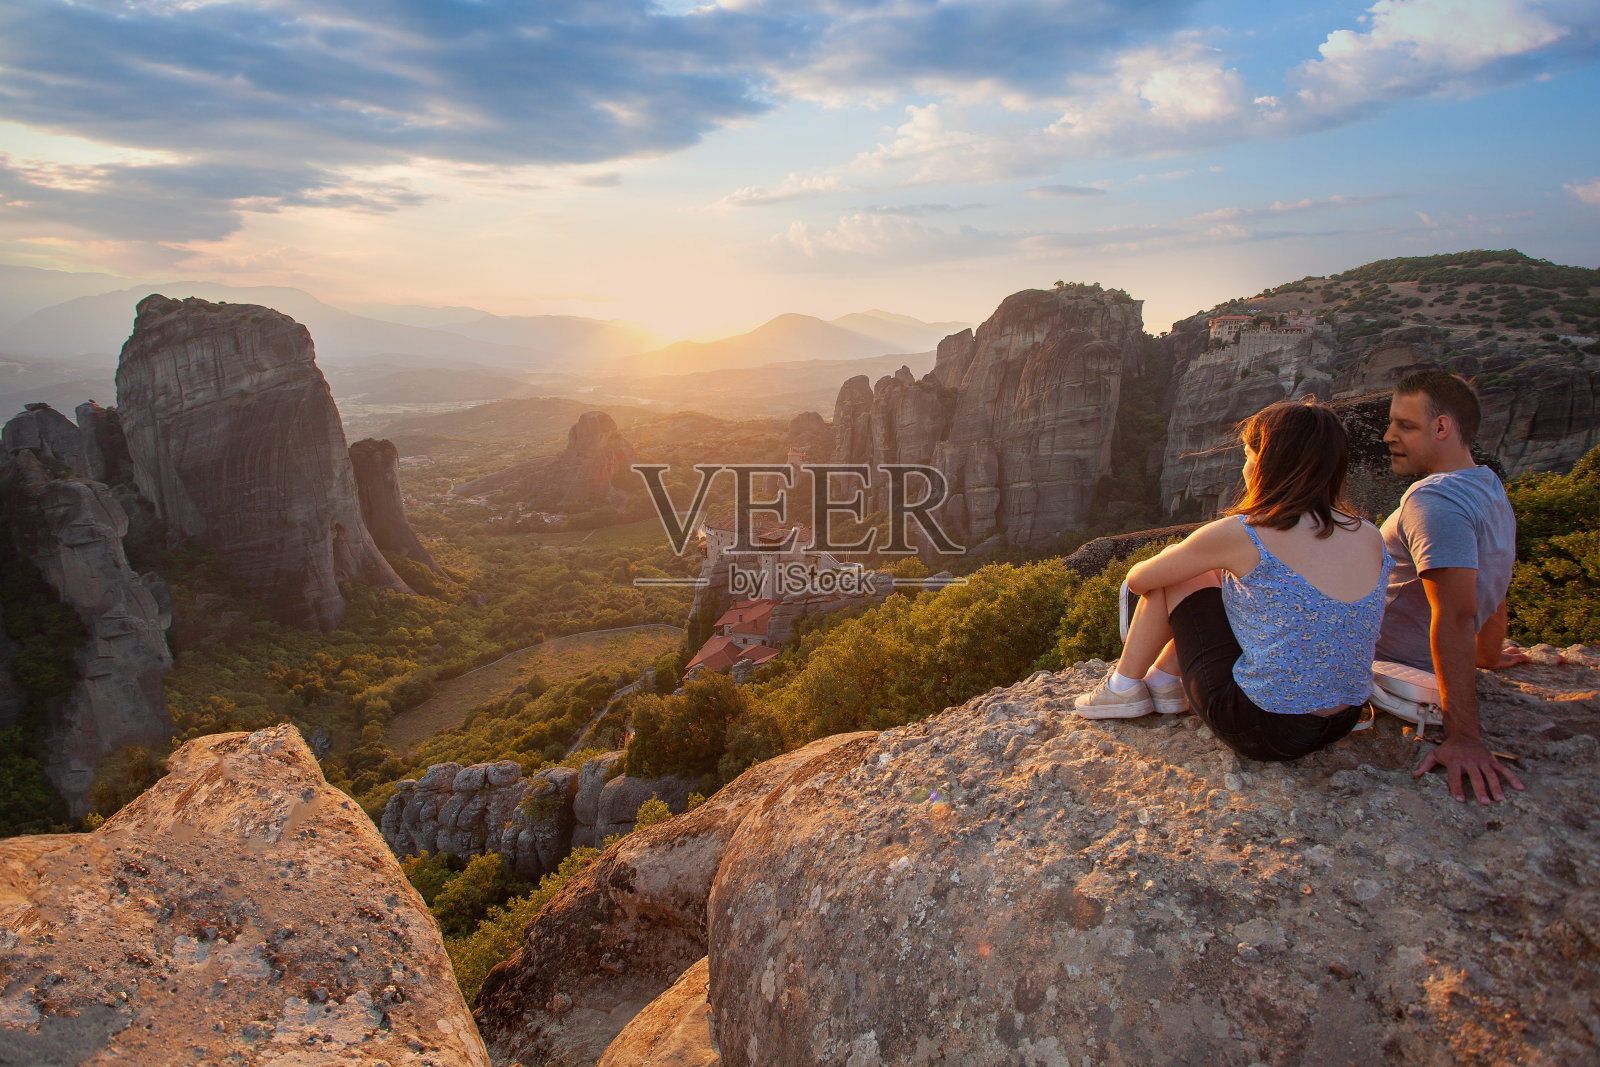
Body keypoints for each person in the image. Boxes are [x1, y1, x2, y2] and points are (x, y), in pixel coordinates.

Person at [1074, 399, 1392, 762]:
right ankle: (1163, 681)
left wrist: (1187, 559)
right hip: (1343, 719)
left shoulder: (1246, 533)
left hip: (1263, 728)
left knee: (1180, 565)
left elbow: (1139, 580)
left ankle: (1123, 686)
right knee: (1223, 575)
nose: (1244, 466)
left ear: (1266, 463)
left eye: (1247, 455)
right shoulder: (1369, 534)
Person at [1378, 370, 1526, 805]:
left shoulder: (1433, 499)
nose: (1388, 436)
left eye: (1405, 425)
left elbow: (1456, 615)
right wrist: (1487, 655)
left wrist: (1464, 738)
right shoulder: (1488, 487)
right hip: (1426, 664)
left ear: (1442, 427)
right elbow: (1493, 580)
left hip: (1388, 667)